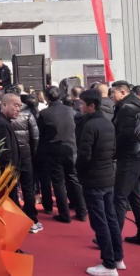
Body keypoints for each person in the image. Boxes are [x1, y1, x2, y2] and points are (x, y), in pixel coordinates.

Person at [76, 90, 125, 276]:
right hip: (107, 177)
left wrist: (79, 171)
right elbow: (113, 151)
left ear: (92, 105)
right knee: (110, 218)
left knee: (100, 222)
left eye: (82, 103)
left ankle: (109, 264)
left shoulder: (90, 125)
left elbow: (84, 155)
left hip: (94, 179)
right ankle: (118, 258)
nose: (80, 106)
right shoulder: (107, 122)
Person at [110, 81, 140, 247]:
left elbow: (125, 136)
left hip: (130, 157)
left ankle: (113, 238)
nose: (111, 96)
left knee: (119, 197)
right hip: (137, 155)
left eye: (113, 93)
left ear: (122, 92)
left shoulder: (127, 108)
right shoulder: (135, 106)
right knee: (135, 198)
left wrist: (113, 152)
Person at [38, 87, 86, 223]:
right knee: (74, 179)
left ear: (47, 97)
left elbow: (40, 133)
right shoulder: (70, 110)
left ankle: (64, 214)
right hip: (71, 149)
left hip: (54, 151)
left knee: (58, 183)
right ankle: (82, 211)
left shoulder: (44, 113)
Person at [5, 86, 42, 233]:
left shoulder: (1, 114)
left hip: (12, 157)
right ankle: (31, 218)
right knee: (28, 188)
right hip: (26, 155)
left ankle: (15, 219)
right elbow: (35, 137)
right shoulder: (27, 114)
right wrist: (32, 153)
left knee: (12, 188)